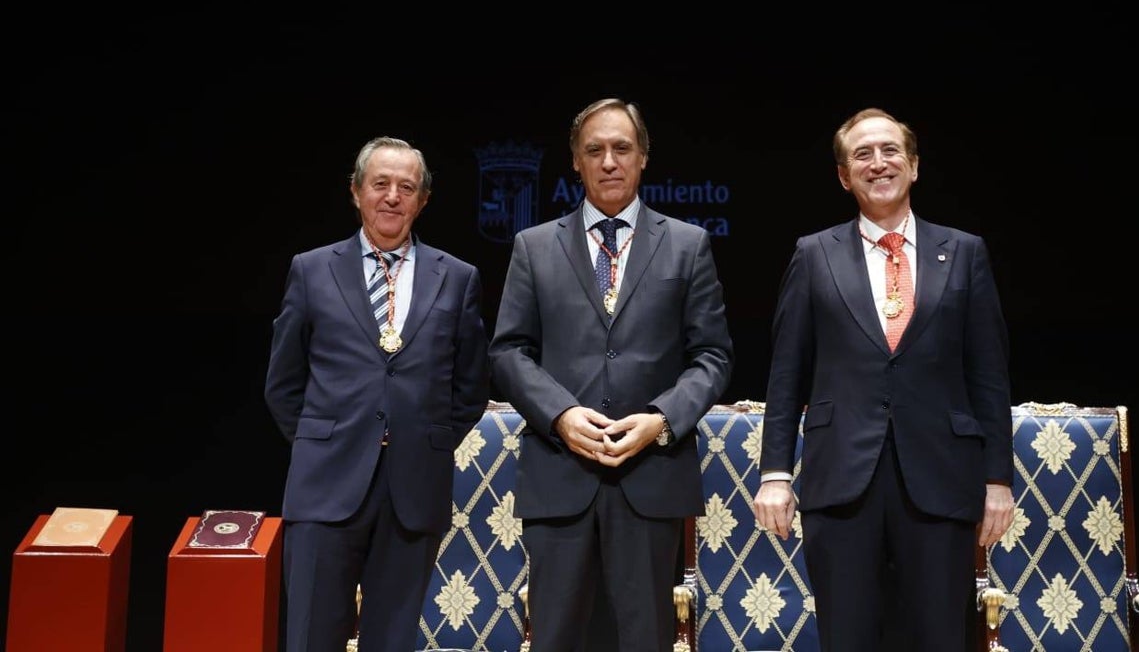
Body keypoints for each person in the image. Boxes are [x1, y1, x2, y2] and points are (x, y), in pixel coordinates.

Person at [752, 107, 1015, 652]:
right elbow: (786, 375)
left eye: (891, 150)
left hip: (941, 477)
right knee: (847, 637)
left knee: (939, 637)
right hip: (842, 478)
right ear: (845, 176)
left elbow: (988, 377)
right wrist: (775, 471)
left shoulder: (964, 252)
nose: (879, 163)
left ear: (914, 166)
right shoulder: (814, 254)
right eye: (862, 155)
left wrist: (997, 480)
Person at [489, 98, 734, 652]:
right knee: (555, 638)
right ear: (575, 161)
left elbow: (713, 356)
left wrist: (659, 420)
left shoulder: (687, 244)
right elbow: (508, 352)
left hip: (650, 475)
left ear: (643, 157)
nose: (608, 161)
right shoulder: (533, 246)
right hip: (559, 475)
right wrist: (560, 415)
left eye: (621, 148)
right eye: (593, 150)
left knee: (644, 638)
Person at [265, 136, 490, 652]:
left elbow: (471, 386)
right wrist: (321, 441)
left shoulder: (457, 278)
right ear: (356, 192)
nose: (392, 196)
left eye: (406, 187)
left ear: (423, 200)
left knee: (392, 640)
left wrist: (422, 440)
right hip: (324, 486)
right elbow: (283, 382)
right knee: (310, 638)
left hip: (412, 490)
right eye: (380, 184)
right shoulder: (311, 269)